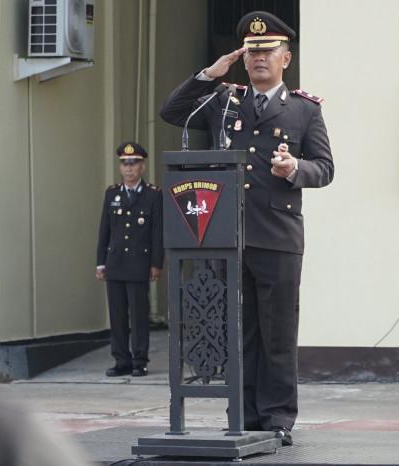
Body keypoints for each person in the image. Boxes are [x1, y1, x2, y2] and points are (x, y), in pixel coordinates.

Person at [159, 11, 334, 445]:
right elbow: (173, 112)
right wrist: (209, 75)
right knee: (239, 332)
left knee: (277, 335)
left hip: (277, 237)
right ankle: (244, 414)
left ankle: (276, 418)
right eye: (252, 51)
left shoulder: (303, 110)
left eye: (268, 51)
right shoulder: (224, 101)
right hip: (228, 235)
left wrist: (295, 168)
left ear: (285, 58)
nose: (259, 58)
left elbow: (325, 168)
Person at [95, 142, 164, 378]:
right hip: (115, 262)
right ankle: (121, 360)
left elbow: (157, 232)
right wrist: (100, 262)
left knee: (139, 315)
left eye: (133, 163)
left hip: (138, 263)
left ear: (142, 167)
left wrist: (156, 263)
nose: (128, 168)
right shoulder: (111, 193)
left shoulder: (153, 194)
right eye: (125, 164)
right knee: (117, 316)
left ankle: (139, 361)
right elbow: (104, 230)